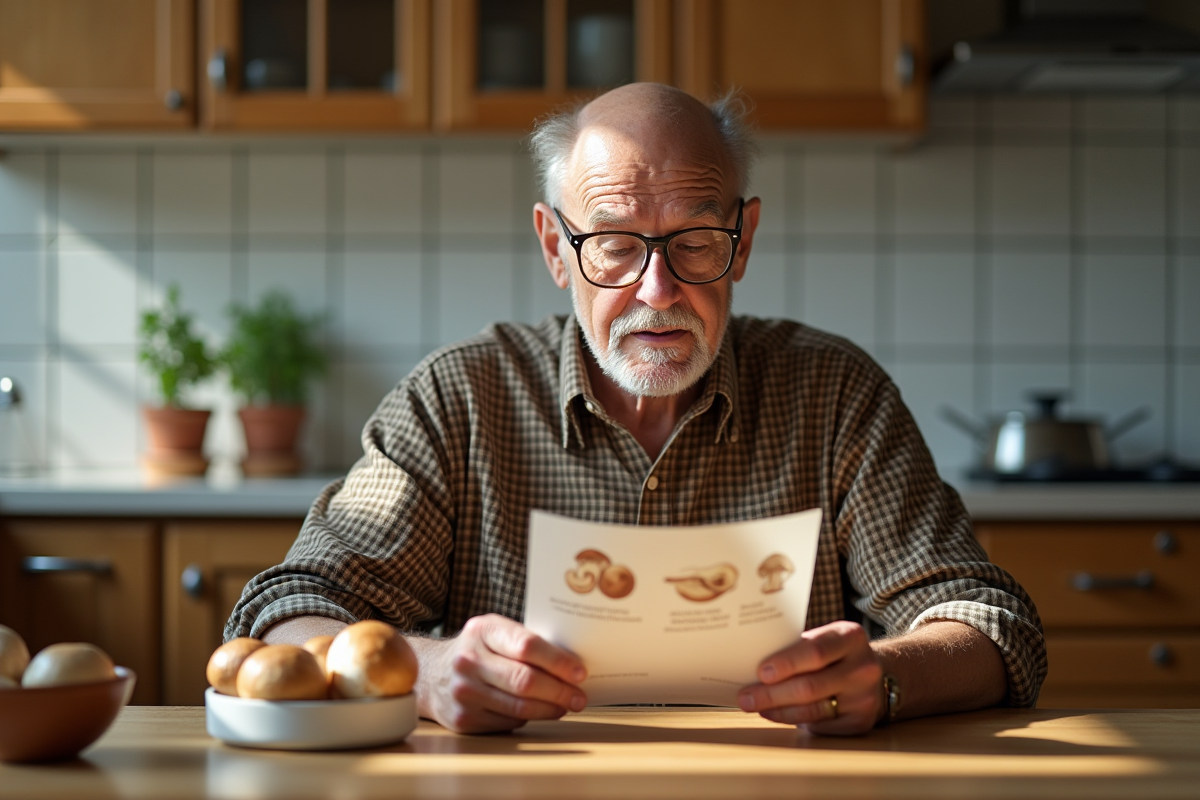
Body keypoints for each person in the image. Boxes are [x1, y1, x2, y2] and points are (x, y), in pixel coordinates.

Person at [226, 83, 1046, 736]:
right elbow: (288, 612)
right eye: (615, 245)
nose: (659, 292)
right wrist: (432, 673)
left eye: (695, 241)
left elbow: (990, 624)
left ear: (744, 240)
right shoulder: (460, 400)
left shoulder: (834, 395)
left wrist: (889, 676)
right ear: (557, 248)